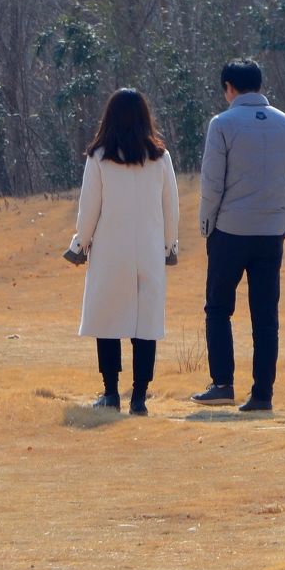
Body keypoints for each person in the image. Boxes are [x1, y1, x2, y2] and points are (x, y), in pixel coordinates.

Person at [190, 59, 285, 412]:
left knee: (218, 308)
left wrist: (206, 223)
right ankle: (262, 394)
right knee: (265, 315)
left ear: (229, 87)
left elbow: (212, 183)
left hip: (230, 229)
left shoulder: (222, 124)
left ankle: (223, 383)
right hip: (271, 231)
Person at [64, 87, 181, 415]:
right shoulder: (161, 158)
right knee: (145, 325)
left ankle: (111, 393)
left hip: (110, 251)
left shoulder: (99, 157)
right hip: (148, 250)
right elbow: (171, 207)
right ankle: (140, 398)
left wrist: (79, 244)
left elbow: (89, 208)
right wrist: (170, 245)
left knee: (108, 321)